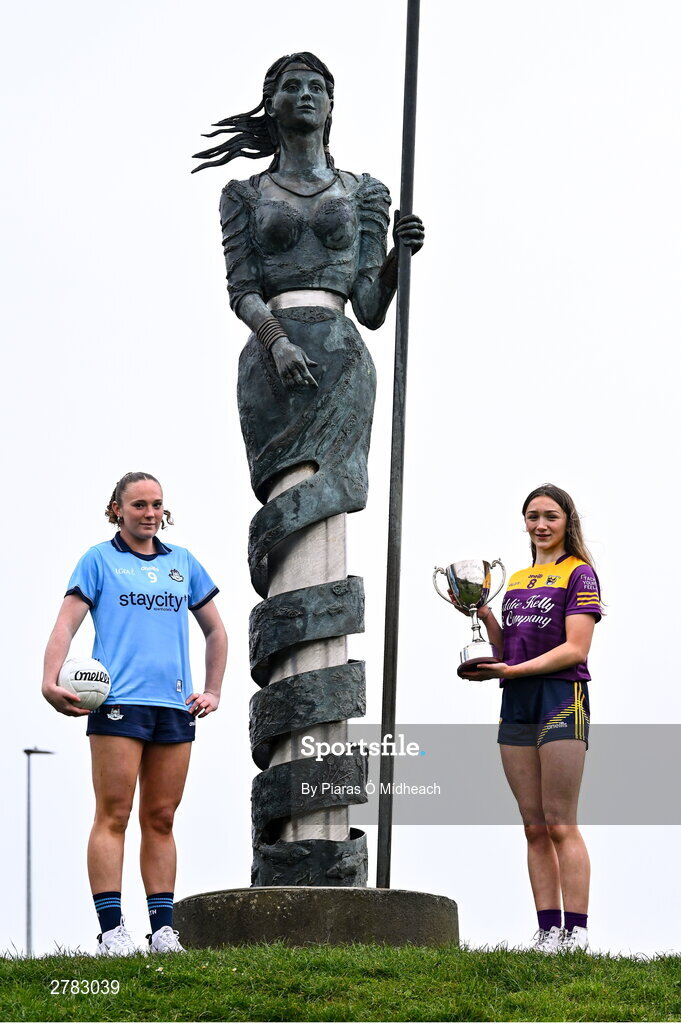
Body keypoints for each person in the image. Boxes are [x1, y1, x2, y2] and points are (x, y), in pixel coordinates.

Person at [192, 53, 424, 883]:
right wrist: (278, 342)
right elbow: (240, 287)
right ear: (274, 102)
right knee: (287, 522)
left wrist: (396, 256)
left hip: (342, 359)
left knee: (327, 514)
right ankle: (294, 836)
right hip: (273, 362)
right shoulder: (245, 194)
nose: (303, 97)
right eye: (290, 87)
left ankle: (326, 842)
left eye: (316, 88)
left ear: (331, 105)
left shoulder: (364, 191)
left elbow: (368, 303)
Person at [41, 472, 228, 955]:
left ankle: (163, 931)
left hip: (174, 708)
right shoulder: (98, 560)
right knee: (114, 814)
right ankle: (111, 931)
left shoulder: (182, 563)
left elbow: (216, 632)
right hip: (118, 703)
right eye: (140, 504)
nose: (150, 513)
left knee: (162, 817)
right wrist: (50, 680)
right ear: (117, 509)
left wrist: (212, 689)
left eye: (157, 505)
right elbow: (66, 625)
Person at [459, 484, 601, 954]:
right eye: (533, 516)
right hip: (516, 701)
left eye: (551, 516)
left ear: (567, 522)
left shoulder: (579, 573)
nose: (541, 524)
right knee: (533, 825)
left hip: (562, 696)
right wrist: (479, 611)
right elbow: (508, 649)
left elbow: (575, 648)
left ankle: (575, 933)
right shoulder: (516, 579)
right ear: (524, 522)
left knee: (561, 821)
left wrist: (513, 670)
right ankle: (546, 932)